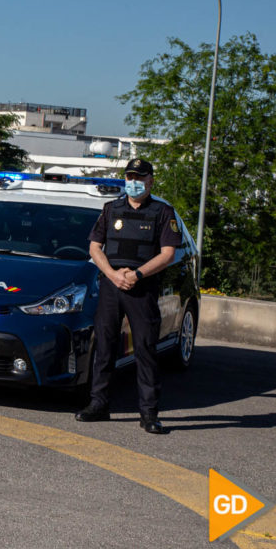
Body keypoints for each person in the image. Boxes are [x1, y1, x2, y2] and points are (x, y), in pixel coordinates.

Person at [76, 158, 182, 434]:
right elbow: (94, 247)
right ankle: (99, 404)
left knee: (146, 350)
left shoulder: (162, 212)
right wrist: (112, 274)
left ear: (150, 181)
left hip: (141, 289)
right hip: (112, 286)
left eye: (139, 177)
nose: (134, 181)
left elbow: (168, 254)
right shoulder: (111, 209)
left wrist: (137, 275)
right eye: (130, 176)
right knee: (105, 348)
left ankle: (149, 414)